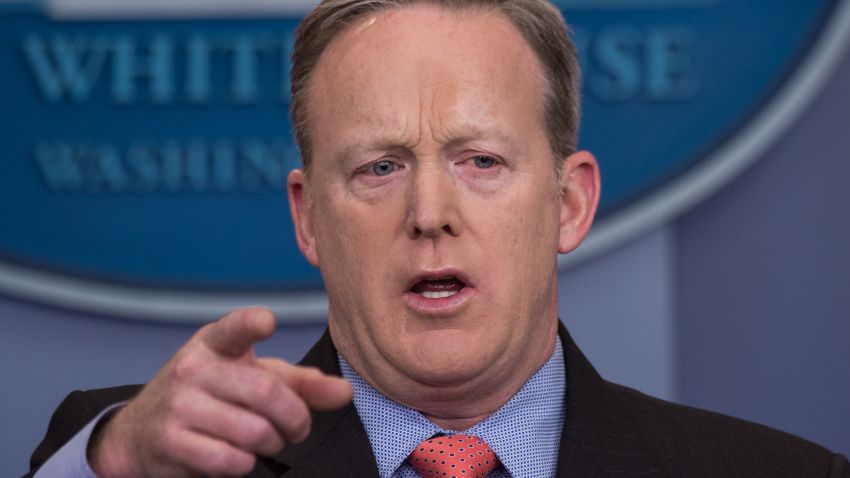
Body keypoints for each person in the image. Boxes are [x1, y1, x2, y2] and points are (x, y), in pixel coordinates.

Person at [25, 1, 849, 477]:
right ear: (309, 217)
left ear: (569, 202)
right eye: (380, 167)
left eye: (480, 160)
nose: (429, 212)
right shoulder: (146, 461)